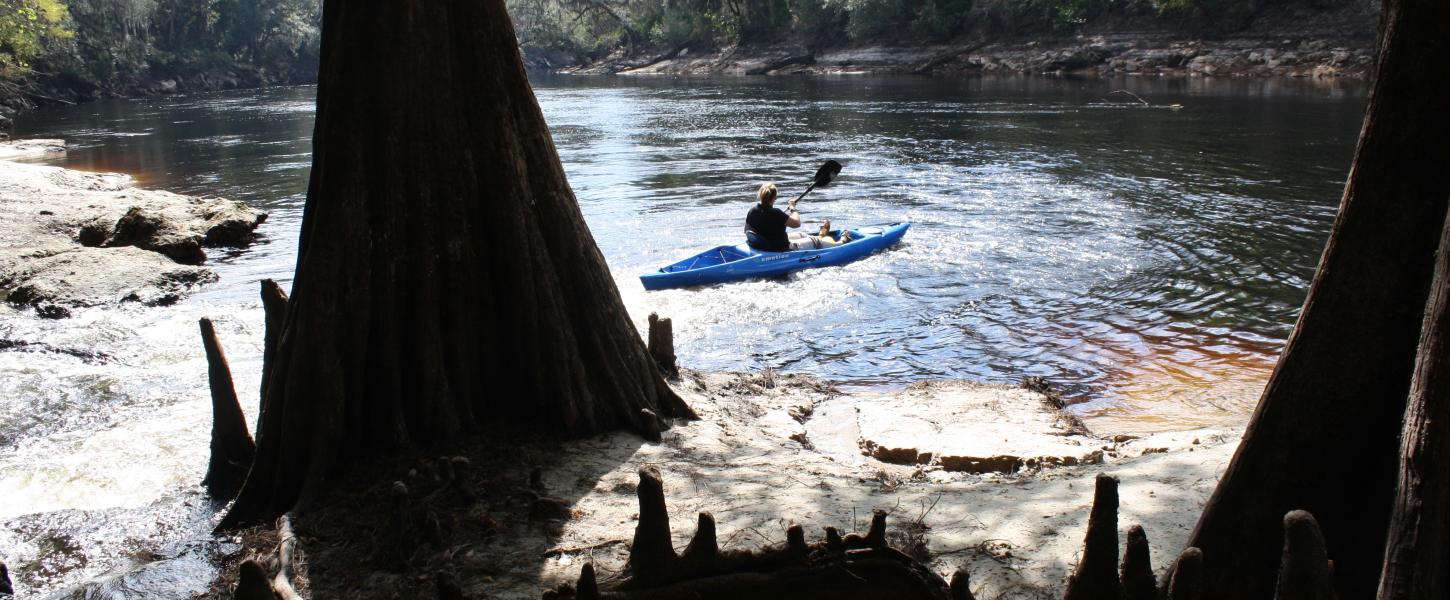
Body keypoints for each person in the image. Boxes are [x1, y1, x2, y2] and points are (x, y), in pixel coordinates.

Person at [744, 182, 850, 251]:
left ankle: (822, 236)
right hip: (782, 248)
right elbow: (796, 223)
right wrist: (793, 208)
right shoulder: (775, 213)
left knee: (802, 234)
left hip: (767, 242)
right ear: (774, 198)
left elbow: (748, 230)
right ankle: (842, 242)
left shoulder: (752, 211)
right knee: (814, 240)